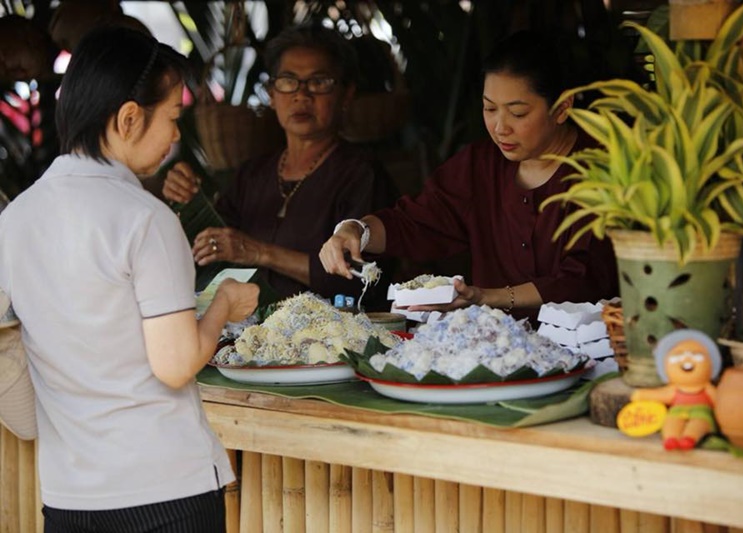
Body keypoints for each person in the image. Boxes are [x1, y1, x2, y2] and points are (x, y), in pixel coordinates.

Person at [0, 26, 259, 532]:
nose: (177, 137)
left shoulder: (15, 220)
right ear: (128, 118)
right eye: (173, 118)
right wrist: (225, 301)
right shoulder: (145, 218)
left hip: (69, 496)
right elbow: (177, 363)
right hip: (166, 491)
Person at [319, 31, 619, 321]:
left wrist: (486, 297)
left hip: (593, 353)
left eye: (517, 113)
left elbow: (585, 279)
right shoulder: (480, 164)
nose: (500, 127)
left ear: (562, 108)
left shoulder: (603, 167)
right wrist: (355, 230)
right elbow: (418, 221)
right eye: (490, 109)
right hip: (499, 354)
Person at [162, 24, 396, 304]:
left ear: (346, 95)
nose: (301, 95)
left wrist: (260, 252)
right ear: (271, 94)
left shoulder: (362, 175)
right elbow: (213, 250)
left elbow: (363, 280)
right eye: (288, 81)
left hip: (331, 339)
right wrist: (190, 201)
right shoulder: (253, 174)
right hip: (250, 337)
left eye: (319, 82)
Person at [631, 330, 721, 451]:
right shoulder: (673, 389)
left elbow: (721, 402)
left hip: (702, 411)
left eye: (695, 354)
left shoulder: (707, 388)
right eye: (678, 354)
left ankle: (690, 438)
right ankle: (670, 438)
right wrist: (642, 395)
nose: (687, 358)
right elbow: (660, 394)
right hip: (676, 411)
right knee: (671, 422)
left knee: (699, 424)